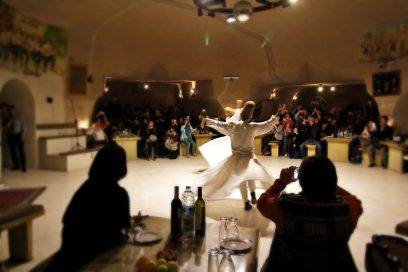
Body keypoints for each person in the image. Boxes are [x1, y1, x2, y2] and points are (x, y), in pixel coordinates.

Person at [257, 156, 362, 271]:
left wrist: (281, 182)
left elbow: (262, 202)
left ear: (301, 180)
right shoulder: (349, 209)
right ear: (333, 179)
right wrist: (326, 182)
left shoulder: (286, 206)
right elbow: (352, 199)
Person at [47, 143, 130, 271]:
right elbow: (122, 231)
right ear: (121, 167)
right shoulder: (119, 195)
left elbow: (67, 220)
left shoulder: (85, 187)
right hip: (92, 261)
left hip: (66, 257)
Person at [196, 101, 279, 210]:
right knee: (251, 176)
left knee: (241, 180)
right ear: (251, 115)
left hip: (236, 158)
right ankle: (253, 195)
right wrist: (276, 116)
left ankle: (246, 202)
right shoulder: (252, 127)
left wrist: (207, 121)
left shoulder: (233, 126)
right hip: (249, 157)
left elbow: (219, 125)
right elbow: (267, 125)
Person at [6, 106, 26, 172]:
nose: (12, 112)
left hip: (18, 135)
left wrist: (23, 136)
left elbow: (24, 127)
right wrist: (11, 121)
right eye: (10, 111)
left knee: (21, 151)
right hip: (11, 135)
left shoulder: (20, 117)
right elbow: (8, 127)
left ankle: (23, 167)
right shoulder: (10, 118)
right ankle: (16, 166)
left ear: (15, 110)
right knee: (13, 151)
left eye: (12, 110)